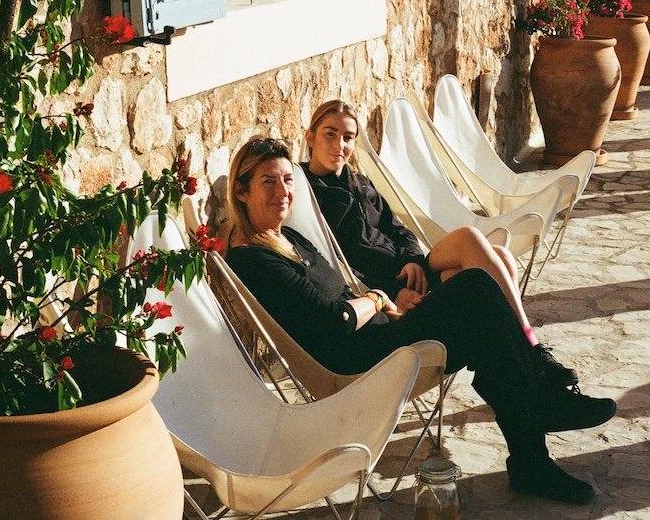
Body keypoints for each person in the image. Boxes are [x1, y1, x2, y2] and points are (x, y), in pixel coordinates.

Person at [224, 137, 617, 504]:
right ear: (241, 191)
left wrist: (394, 309)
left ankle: (533, 449)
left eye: (288, 180)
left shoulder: (291, 238)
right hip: (356, 362)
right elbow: (338, 318)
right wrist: (380, 299)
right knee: (477, 288)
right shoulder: (252, 258)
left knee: (485, 322)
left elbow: (345, 298)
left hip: (379, 337)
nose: (283, 192)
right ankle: (539, 407)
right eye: (267, 182)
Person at [301, 98, 577, 387]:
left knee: (497, 255)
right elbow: (335, 265)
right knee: (475, 261)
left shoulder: (360, 183)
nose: (339, 145)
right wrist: (393, 293)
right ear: (310, 137)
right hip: (388, 289)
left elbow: (400, 230)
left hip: (410, 272)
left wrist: (411, 259)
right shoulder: (308, 194)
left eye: (348, 137)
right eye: (329, 134)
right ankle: (528, 354)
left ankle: (526, 354)